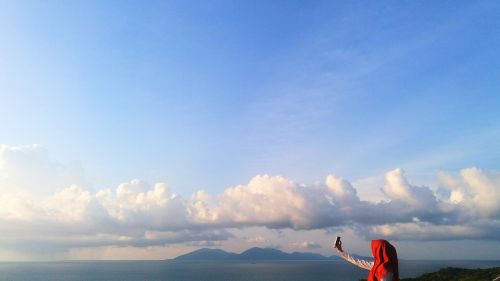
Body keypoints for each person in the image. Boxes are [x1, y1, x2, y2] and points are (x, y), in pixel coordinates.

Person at [333, 237, 399, 281]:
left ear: (379, 251)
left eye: (374, 249)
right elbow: (358, 261)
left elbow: (358, 261)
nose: (372, 252)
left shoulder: (385, 272)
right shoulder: (377, 265)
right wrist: (340, 250)